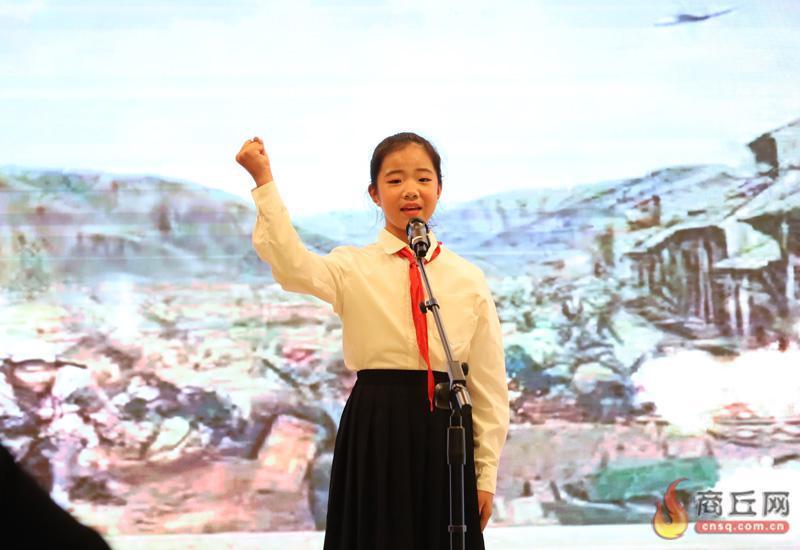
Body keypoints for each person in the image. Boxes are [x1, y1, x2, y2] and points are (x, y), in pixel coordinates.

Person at [236, 132, 509, 550]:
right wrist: (263, 182)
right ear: (375, 194)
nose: (410, 190)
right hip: (377, 426)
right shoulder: (352, 267)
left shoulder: (468, 279)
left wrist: (485, 475)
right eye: (395, 180)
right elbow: (291, 265)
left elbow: (488, 384)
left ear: (439, 189)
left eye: (423, 178)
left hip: (444, 430)